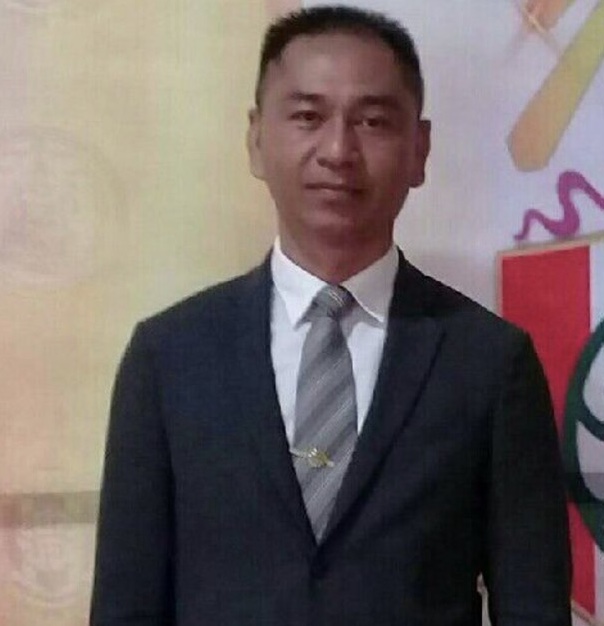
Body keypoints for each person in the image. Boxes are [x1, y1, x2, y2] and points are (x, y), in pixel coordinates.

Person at [90, 6, 572, 625]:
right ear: (256, 139)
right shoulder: (169, 358)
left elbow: (533, 607)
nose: (339, 150)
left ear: (419, 149)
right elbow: (125, 606)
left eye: (372, 121)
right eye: (307, 117)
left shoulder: (489, 363)